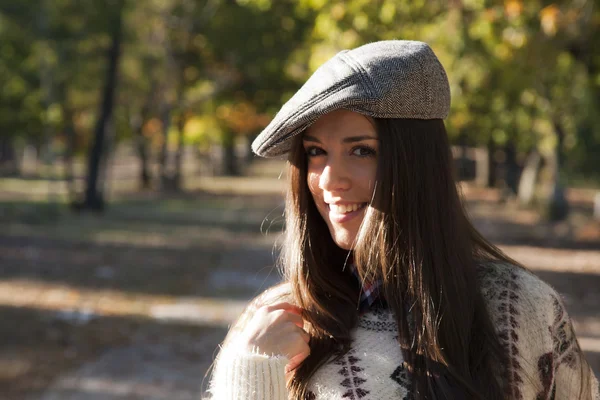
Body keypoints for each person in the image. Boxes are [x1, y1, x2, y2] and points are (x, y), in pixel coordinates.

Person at [207, 40, 599, 400]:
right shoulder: (274, 325)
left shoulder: (520, 306)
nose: (328, 179)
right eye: (315, 152)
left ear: (418, 166)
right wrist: (252, 376)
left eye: (361, 150)